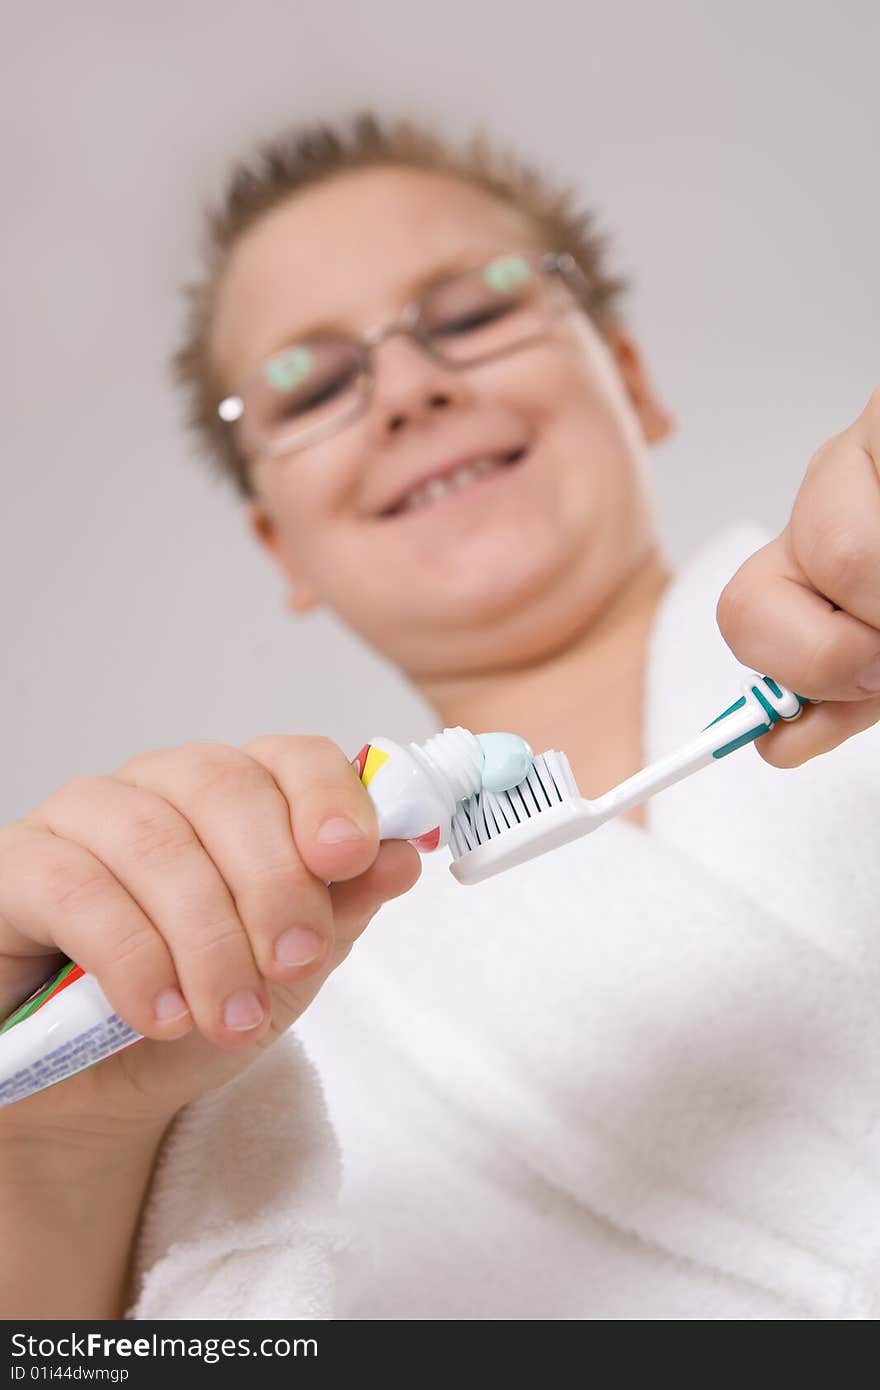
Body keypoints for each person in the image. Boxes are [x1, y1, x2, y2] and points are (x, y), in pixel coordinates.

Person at [1, 111, 879, 1321]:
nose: (409, 387)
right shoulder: (269, 1011)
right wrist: (59, 1152)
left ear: (630, 379)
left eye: (471, 315)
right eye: (309, 387)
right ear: (280, 541)